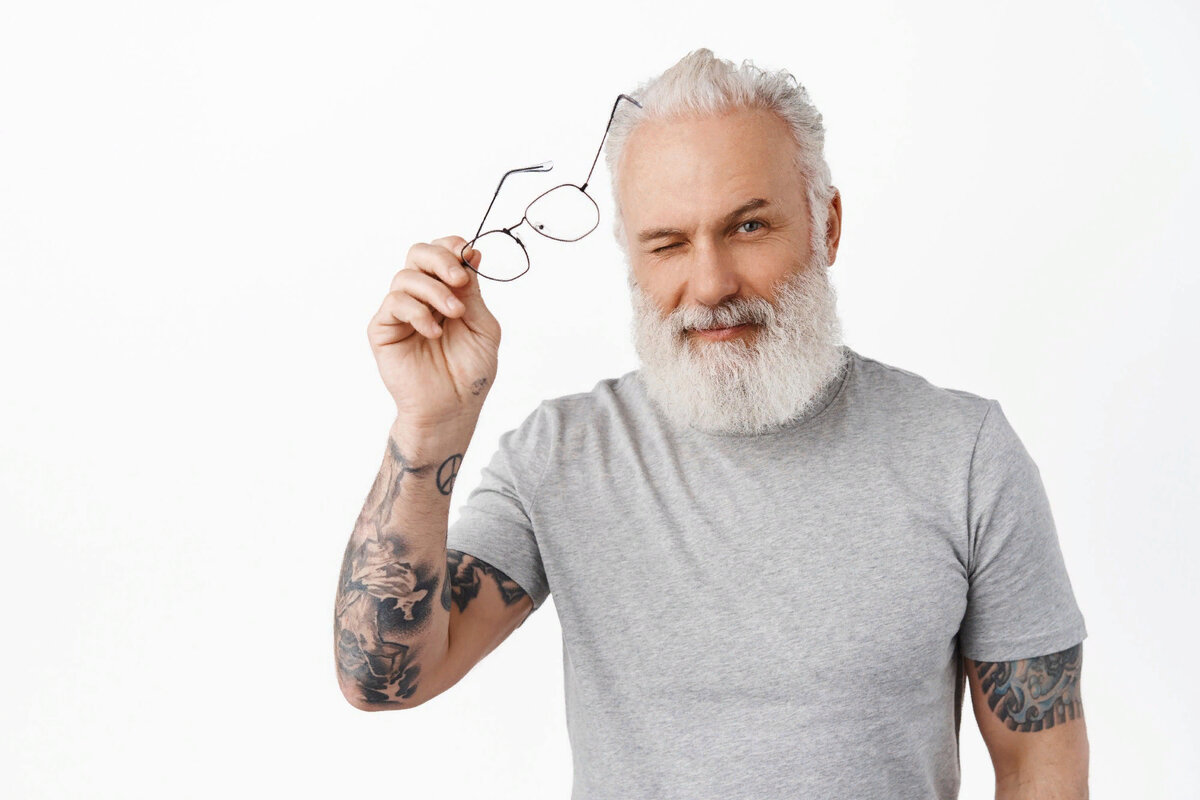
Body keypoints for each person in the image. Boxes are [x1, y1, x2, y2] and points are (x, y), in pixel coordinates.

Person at [334, 48, 1089, 799]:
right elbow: (385, 678)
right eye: (667, 243)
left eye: (749, 226)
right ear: (632, 259)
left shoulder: (964, 455)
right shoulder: (559, 457)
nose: (711, 284)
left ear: (825, 226)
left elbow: (1039, 765)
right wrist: (429, 427)